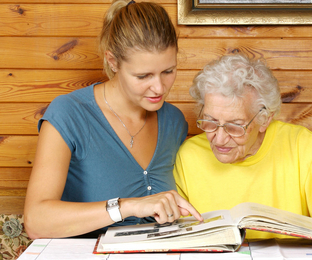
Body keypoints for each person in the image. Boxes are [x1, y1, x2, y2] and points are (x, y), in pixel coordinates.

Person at [173, 53, 312, 252]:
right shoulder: (189, 156)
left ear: (264, 119)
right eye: (210, 122)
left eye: (235, 126)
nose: (219, 139)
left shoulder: (302, 147)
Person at [24, 0, 201, 239]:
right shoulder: (69, 114)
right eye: (143, 75)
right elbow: (36, 222)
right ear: (113, 61)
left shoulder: (174, 122)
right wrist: (127, 206)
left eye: (168, 71)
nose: (159, 87)